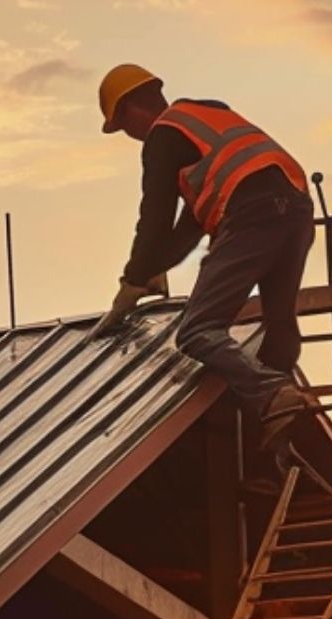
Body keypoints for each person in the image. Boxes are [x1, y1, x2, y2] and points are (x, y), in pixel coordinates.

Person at [89, 64, 314, 447]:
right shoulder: (207, 115)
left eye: (124, 127)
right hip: (295, 209)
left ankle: (275, 395)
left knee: (197, 330)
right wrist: (158, 266)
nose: (130, 136)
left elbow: (155, 216)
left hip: (251, 214)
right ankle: (278, 429)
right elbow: (191, 224)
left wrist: (130, 283)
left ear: (131, 109)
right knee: (278, 326)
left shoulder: (162, 136)